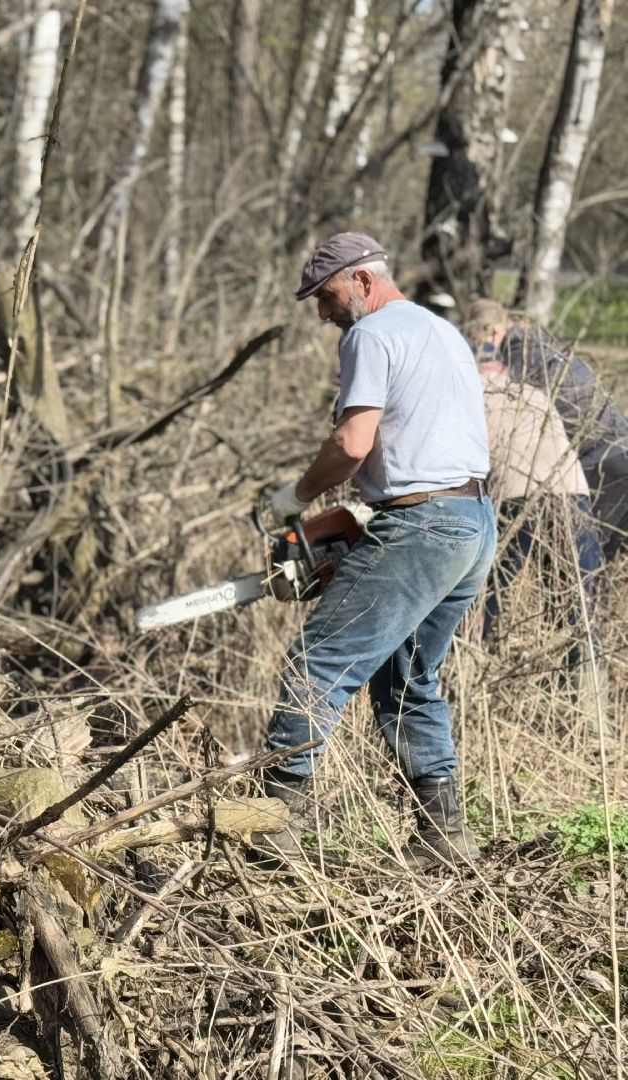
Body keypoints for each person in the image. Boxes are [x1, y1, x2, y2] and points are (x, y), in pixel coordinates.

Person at [253, 232, 496, 868]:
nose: (323, 311)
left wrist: (294, 498)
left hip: (422, 526)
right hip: (471, 521)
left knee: (316, 664)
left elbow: (353, 442)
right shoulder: (441, 331)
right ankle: (443, 834)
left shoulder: (370, 333)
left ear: (363, 281)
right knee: (408, 677)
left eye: (328, 295)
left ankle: (275, 825)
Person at [465, 298, 602, 647]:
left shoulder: (467, 391)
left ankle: (466, 670)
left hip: (515, 496)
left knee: (487, 597)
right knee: (579, 610)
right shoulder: (533, 390)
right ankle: (581, 688)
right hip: (573, 493)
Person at [485, 302, 628, 560]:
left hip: (600, 467)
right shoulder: (562, 358)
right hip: (619, 451)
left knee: (595, 562)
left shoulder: (523, 365)